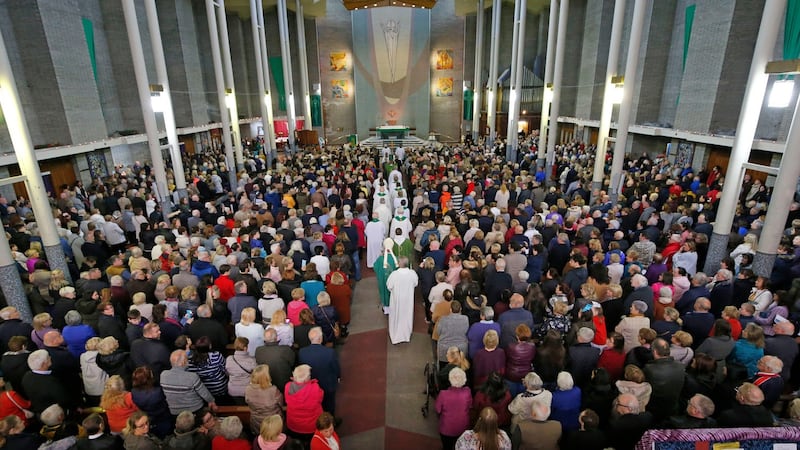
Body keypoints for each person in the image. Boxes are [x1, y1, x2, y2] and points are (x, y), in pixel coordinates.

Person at [298, 327, 341, 416]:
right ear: (321, 338)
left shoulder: (302, 352)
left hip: (311, 386)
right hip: (328, 384)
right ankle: (331, 421)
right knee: (329, 405)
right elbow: (335, 368)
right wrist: (338, 377)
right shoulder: (330, 352)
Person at [160, 350, 217, 416]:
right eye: (187, 359)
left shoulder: (163, 375)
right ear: (184, 362)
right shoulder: (192, 377)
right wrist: (211, 401)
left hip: (175, 412)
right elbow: (204, 394)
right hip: (194, 410)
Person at [284, 364, 324, 443]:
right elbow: (320, 397)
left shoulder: (288, 386)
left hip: (294, 424)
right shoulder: (315, 388)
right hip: (311, 426)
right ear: (306, 379)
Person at [130, 367, 172, 439]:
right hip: (162, 417)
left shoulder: (134, 392)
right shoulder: (157, 392)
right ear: (147, 379)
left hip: (149, 418)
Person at [436, 367, 472, 450]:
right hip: (463, 428)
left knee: (447, 447)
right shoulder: (467, 392)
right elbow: (470, 406)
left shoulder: (443, 394)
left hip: (446, 429)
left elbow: (438, 409)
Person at [385, 256, 419, 344]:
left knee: (396, 316)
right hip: (408, 299)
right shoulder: (412, 273)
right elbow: (415, 283)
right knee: (407, 316)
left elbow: (389, 286)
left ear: (399, 264)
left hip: (397, 300)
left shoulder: (394, 274)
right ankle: (406, 335)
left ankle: (396, 336)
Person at [245, 365, 284, 435]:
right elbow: (281, 403)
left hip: (257, 421)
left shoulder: (248, 389)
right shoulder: (273, 390)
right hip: (272, 422)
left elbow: (247, 402)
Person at [226, 337, 257, 403]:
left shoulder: (229, 359)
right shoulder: (251, 361)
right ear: (245, 348)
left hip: (233, 390)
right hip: (247, 390)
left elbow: (227, 372)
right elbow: (256, 375)